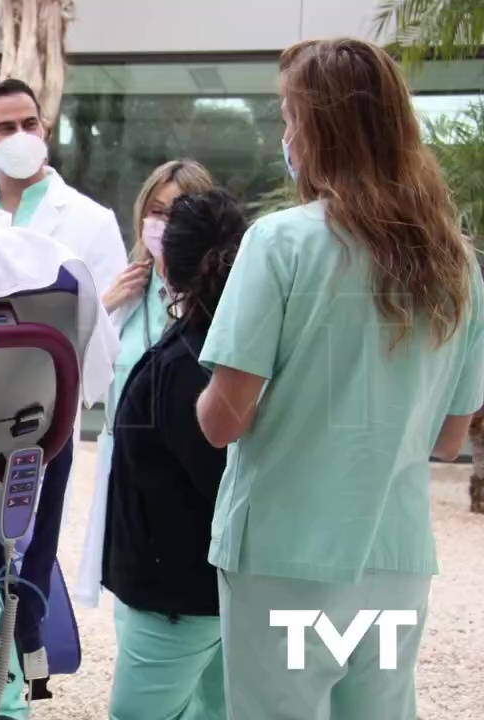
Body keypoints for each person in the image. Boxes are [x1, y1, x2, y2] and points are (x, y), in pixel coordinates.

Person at [195, 38, 484, 720]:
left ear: (322, 128)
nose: (286, 135)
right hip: (396, 556)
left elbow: (221, 420)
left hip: (287, 559)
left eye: (291, 117)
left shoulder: (282, 242)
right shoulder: (458, 265)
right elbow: (448, 440)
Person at [0, 77, 127, 720]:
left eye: (30, 123)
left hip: (44, 419)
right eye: (6, 128)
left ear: (45, 129)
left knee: (28, 548)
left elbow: (106, 335)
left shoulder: (88, 221)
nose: (21, 136)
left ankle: (10, 692)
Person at [102, 188, 246, 720]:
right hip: (209, 588)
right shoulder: (224, 347)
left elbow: (216, 477)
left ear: (171, 263)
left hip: (177, 596)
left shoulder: (185, 360)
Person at [69, 159, 213, 609]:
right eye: (156, 210)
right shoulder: (131, 287)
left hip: (186, 461)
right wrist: (106, 302)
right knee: (131, 590)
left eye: (178, 211)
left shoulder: (218, 293)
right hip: (126, 457)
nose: (163, 224)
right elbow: (82, 373)